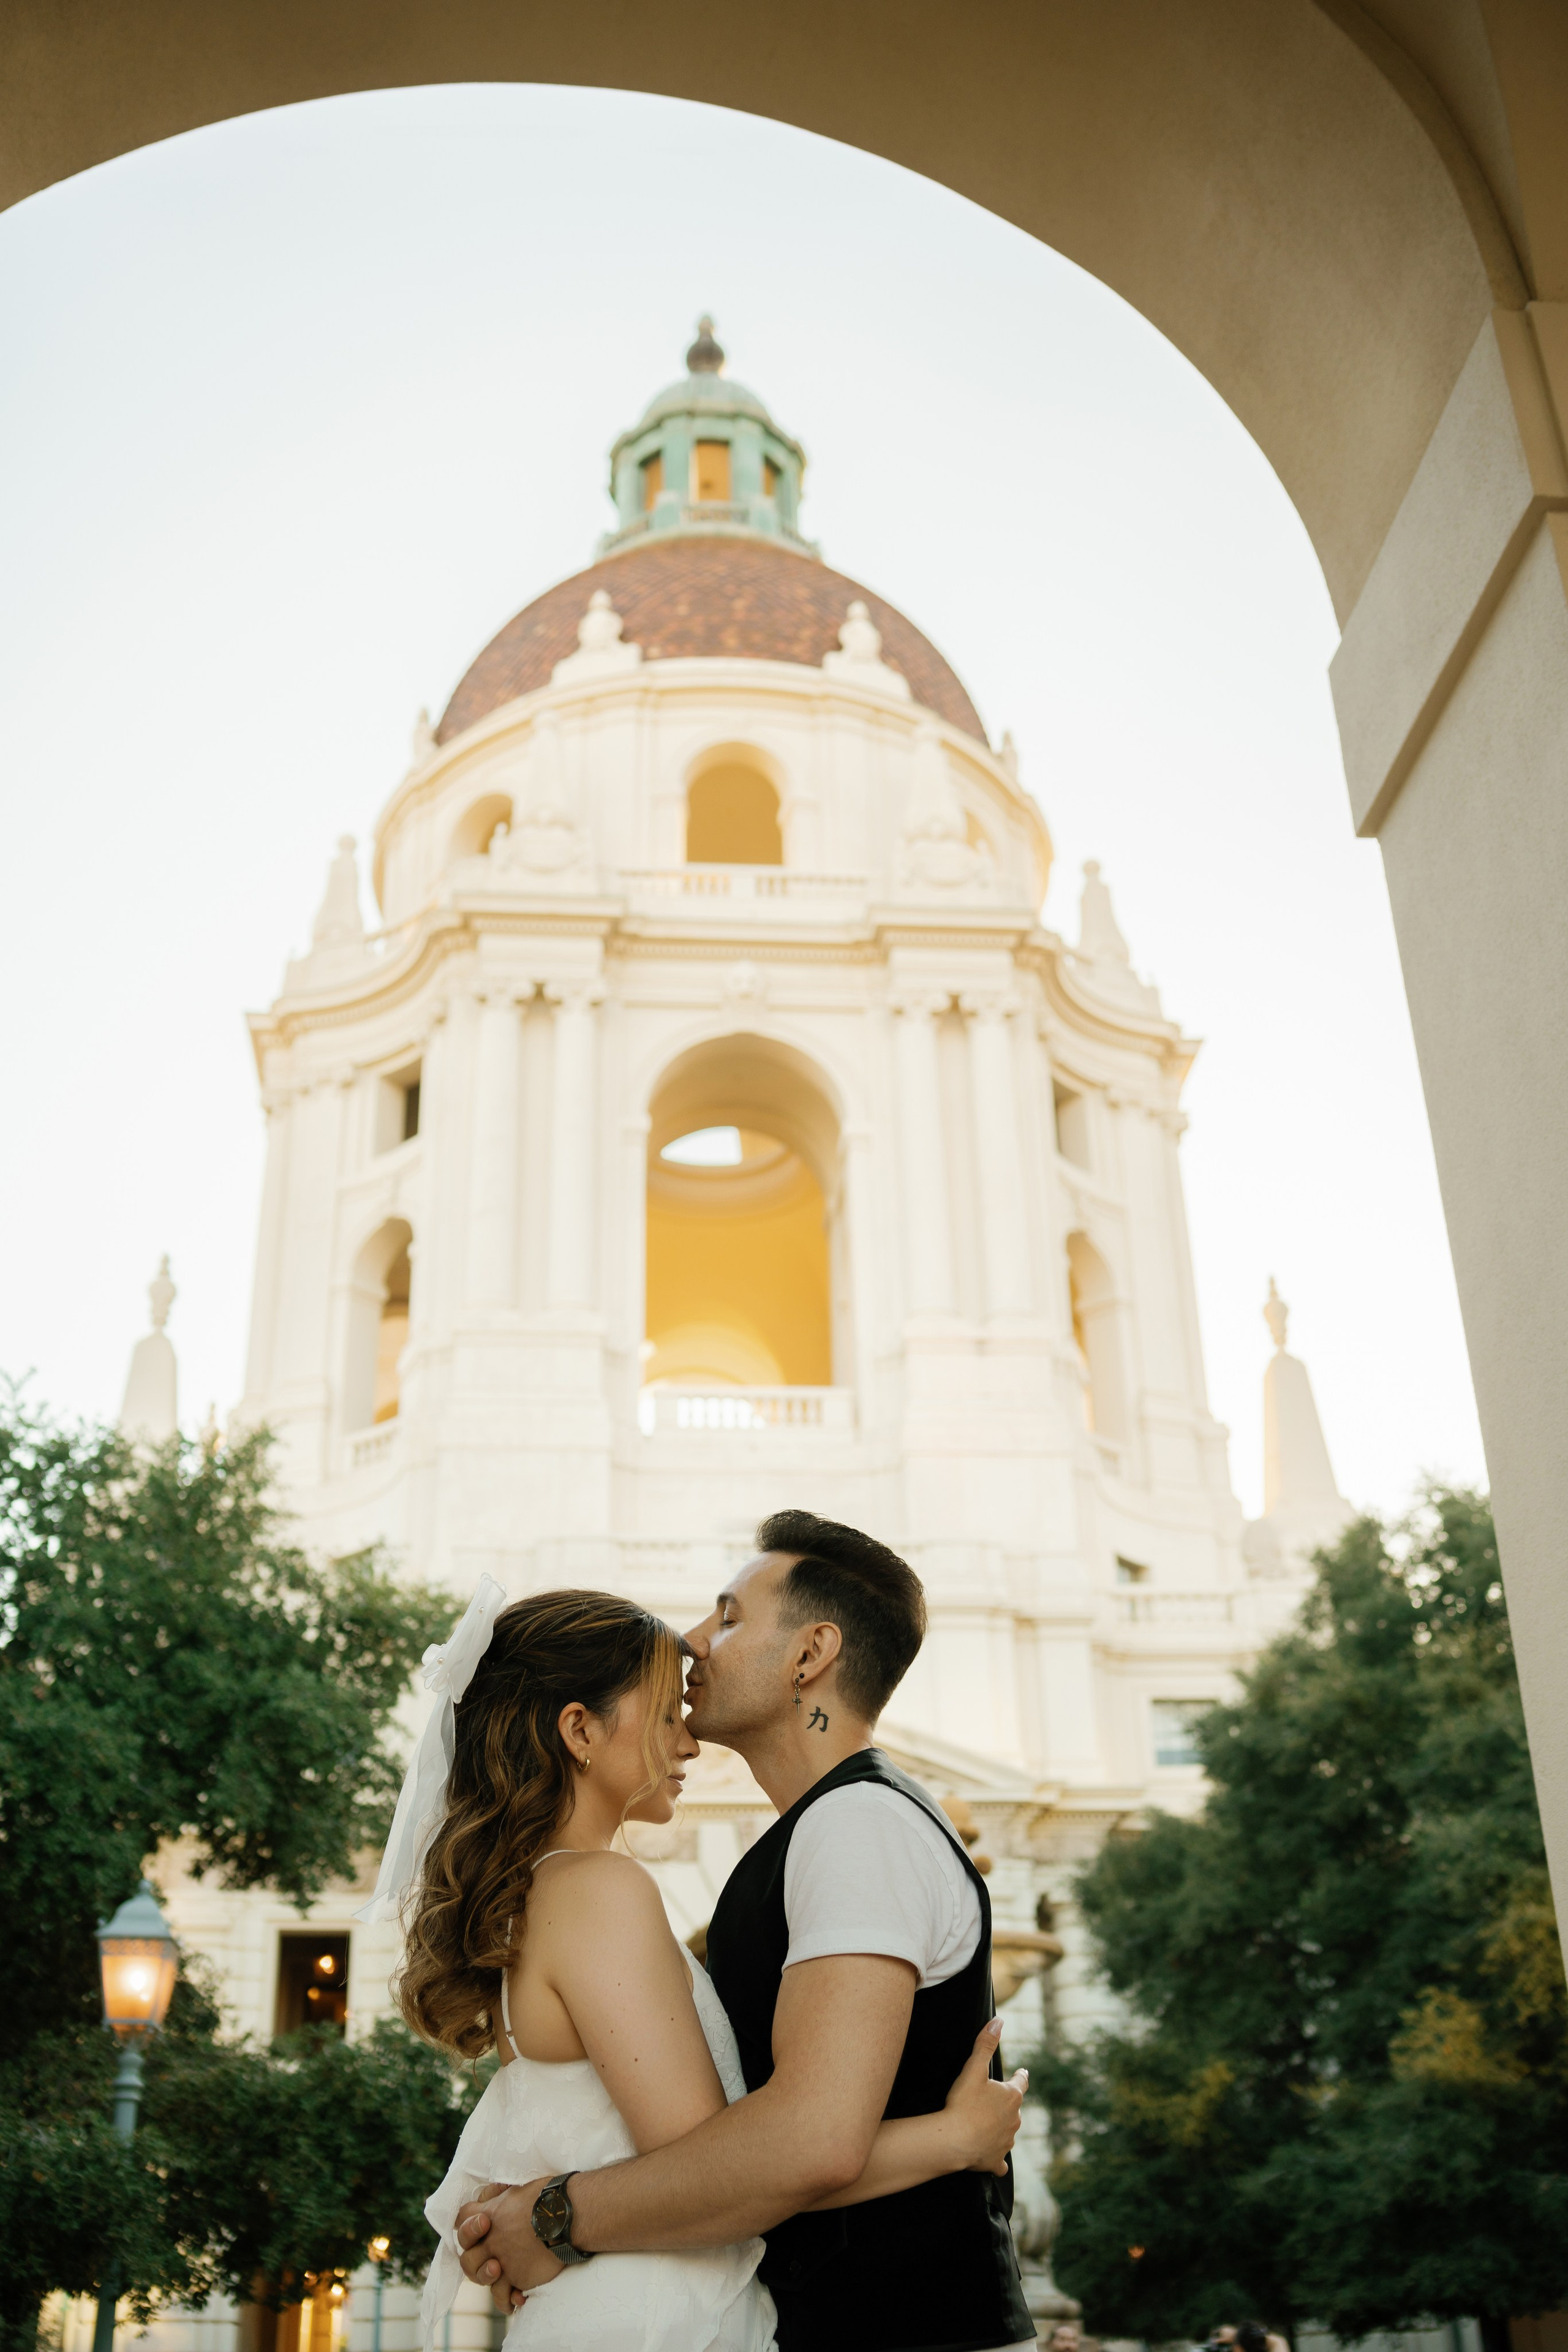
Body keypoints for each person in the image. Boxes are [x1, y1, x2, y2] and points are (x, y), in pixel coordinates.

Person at [377, 1572, 1028, 2352]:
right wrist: (952, 2139)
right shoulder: (600, 1889)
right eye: (662, 1715)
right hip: (656, 2312)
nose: (687, 1741)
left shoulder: (545, 1892)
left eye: (727, 1620)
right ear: (579, 1732)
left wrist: (540, 2215)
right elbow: (727, 2164)